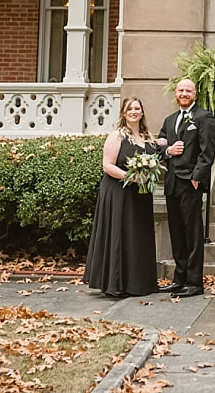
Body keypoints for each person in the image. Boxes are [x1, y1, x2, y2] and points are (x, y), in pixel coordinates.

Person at [83, 97, 160, 298]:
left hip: (141, 195)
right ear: (124, 113)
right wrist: (131, 177)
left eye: (137, 108)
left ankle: (140, 283)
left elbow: (158, 154)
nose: (134, 111)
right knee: (120, 234)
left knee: (137, 235)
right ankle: (116, 282)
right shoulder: (117, 135)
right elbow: (107, 165)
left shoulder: (147, 136)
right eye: (130, 109)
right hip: (119, 191)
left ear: (142, 112)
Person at [156, 78, 215, 299]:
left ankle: (194, 282)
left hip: (190, 183)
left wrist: (196, 177)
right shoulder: (169, 119)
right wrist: (167, 151)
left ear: (195, 93)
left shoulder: (204, 118)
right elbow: (158, 147)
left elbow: (207, 151)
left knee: (192, 235)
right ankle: (179, 279)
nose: (184, 93)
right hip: (172, 183)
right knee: (177, 234)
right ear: (176, 93)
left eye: (188, 90)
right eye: (181, 90)